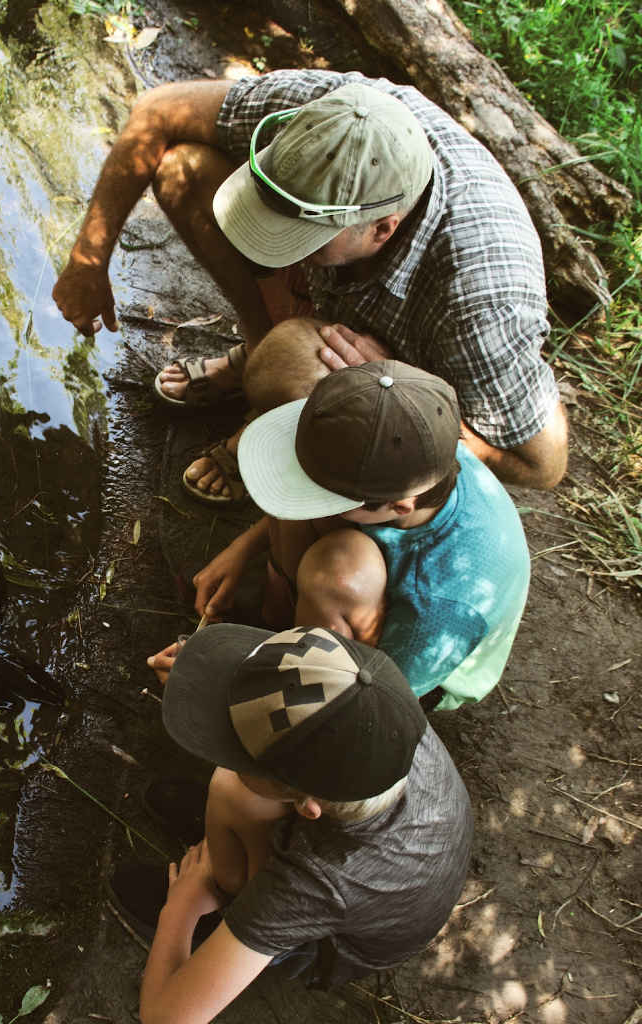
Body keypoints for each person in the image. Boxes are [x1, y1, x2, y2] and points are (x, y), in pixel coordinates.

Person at [51, 70, 567, 497]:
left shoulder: (480, 304)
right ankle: (258, 351)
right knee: (184, 170)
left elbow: (542, 466)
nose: (259, 244)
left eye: (301, 234)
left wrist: (398, 387)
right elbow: (158, 111)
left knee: (311, 372)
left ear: (381, 228)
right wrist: (88, 260)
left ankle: (281, 410)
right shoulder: (328, 120)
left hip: (411, 355)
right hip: (344, 291)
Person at [108, 623, 473, 1023]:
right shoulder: (377, 718)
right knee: (234, 787)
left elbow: (165, 1018)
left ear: (306, 808)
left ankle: (223, 908)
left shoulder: (319, 880)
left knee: (230, 787)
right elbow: (297, 689)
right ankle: (233, 859)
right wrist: (200, 675)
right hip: (394, 851)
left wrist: (179, 909)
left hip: (334, 940)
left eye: (237, 749)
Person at [150, 334, 531, 711]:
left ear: (399, 507)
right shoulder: (409, 446)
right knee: (315, 523)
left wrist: (228, 680)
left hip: (407, 672)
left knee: (338, 571)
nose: (307, 499)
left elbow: (378, 700)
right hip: (377, 568)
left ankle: (298, 665)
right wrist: (243, 550)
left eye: (323, 494)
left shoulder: (442, 604)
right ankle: (278, 624)